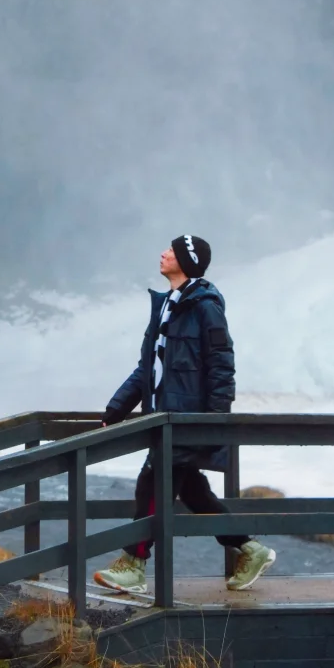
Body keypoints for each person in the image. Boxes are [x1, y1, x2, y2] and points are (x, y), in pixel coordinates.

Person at [94, 234, 275, 594]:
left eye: (172, 250)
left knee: (152, 483)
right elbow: (147, 369)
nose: (163, 253)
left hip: (186, 422)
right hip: (165, 419)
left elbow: (222, 367)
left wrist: (212, 422)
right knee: (195, 494)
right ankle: (251, 549)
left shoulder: (205, 306)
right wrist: (116, 410)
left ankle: (133, 565)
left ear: (187, 261)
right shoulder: (166, 307)